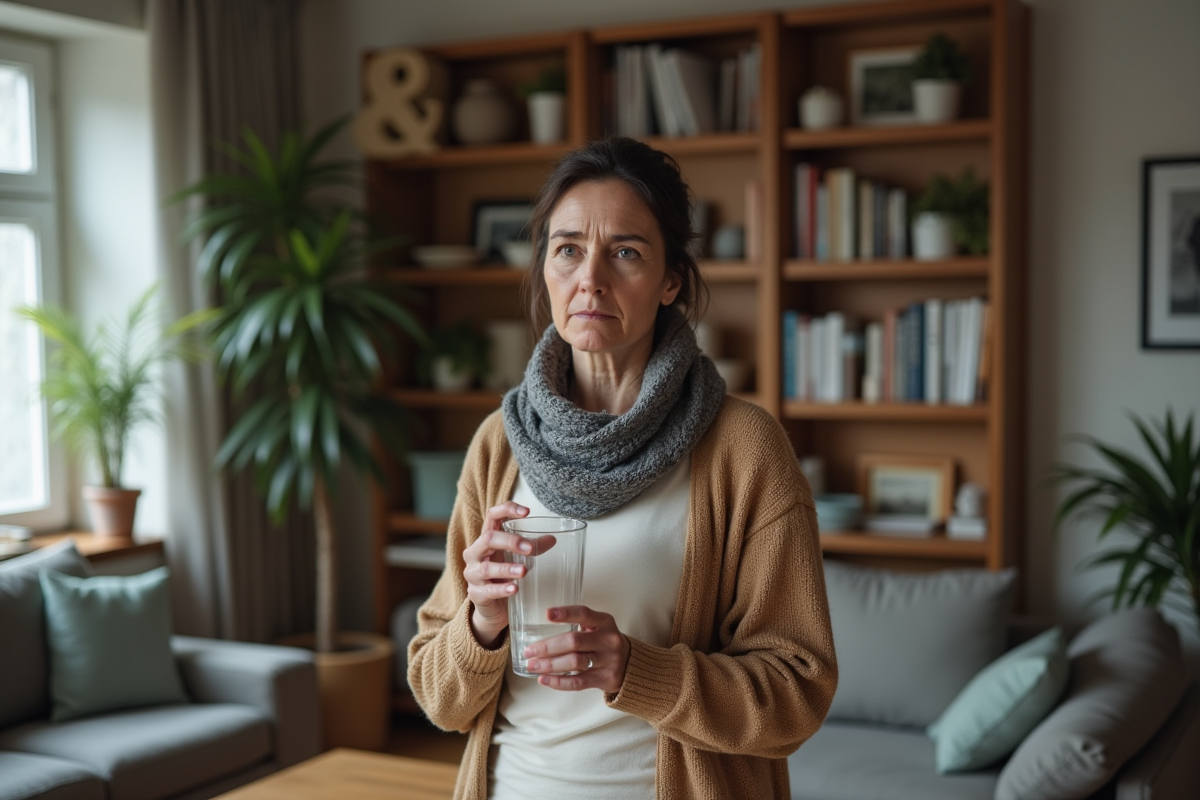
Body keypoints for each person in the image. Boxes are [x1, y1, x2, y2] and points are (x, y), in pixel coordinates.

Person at [408, 137, 837, 800]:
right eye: (569, 248)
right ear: (545, 267)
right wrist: (482, 622)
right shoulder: (499, 444)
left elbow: (797, 694)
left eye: (626, 252)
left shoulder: (745, 451)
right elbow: (439, 700)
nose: (591, 279)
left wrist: (636, 670)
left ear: (671, 280)